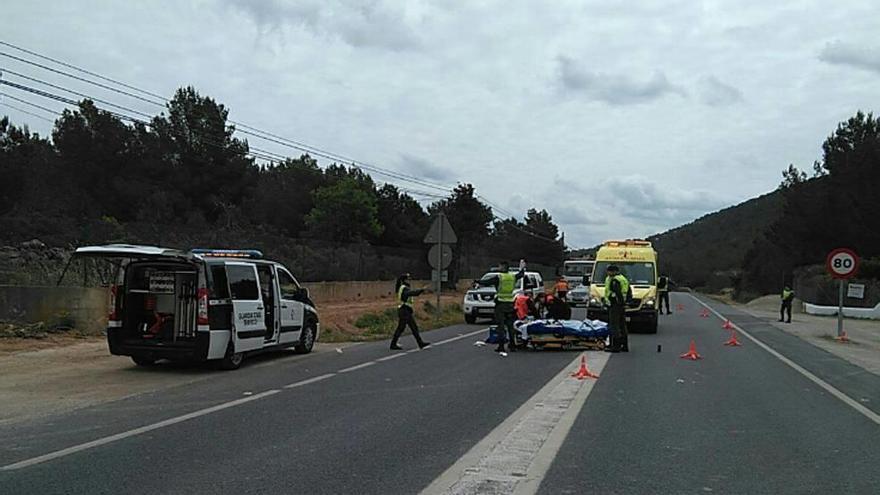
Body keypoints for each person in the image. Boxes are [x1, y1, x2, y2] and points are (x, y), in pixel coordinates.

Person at [477, 261, 527, 353]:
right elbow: (521, 275)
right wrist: (522, 268)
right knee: (510, 325)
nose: (498, 268)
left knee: (500, 325)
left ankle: (501, 346)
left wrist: (477, 281)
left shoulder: (499, 277)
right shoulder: (512, 277)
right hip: (510, 304)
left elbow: (487, 282)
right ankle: (512, 345)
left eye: (500, 266)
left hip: (501, 304)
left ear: (503, 267)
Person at [390, 273, 430, 350]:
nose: (410, 280)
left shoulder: (403, 287)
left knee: (411, 327)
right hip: (404, 310)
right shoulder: (404, 288)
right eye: (408, 279)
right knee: (404, 328)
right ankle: (393, 344)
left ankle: (420, 343)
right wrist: (421, 290)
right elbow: (411, 293)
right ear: (404, 280)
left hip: (405, 310)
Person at [603, 265, 630, 353]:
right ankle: (624, 345)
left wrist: (611, 300)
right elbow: (629, 292)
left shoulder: (615, 280)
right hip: (621, 306)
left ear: (613, 271)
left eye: (609, 271)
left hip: (615, 305)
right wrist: (626, 303)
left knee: (614, 325)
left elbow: (617, 293)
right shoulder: (623, 279)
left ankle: (615, 346)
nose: (608, 273)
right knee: (622, 325)